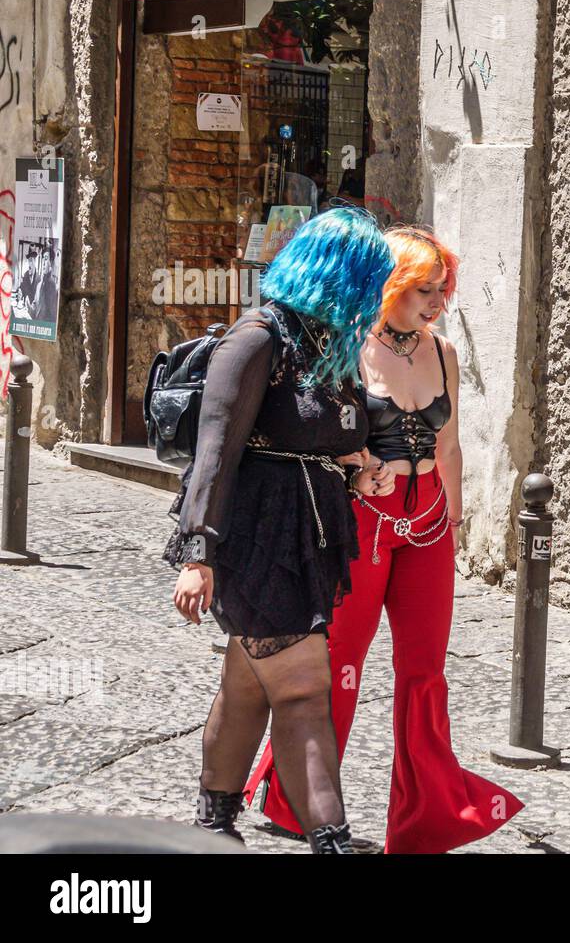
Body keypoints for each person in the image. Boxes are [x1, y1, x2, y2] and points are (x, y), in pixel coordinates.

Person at [244, 225, 523, 853]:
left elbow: (448, 446)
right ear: (389, 285)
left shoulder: (445, 353)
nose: (436, 301)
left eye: (442, 290)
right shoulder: (349, 348)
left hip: (427, 523)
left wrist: (452, 518)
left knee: (424, 670)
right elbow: (317, 431)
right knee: (340, 662)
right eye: (423, 289)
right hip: (364, 521)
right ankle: (298, 802)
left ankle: (427, 817)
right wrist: (353, 468)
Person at [166, 207, 395, 854]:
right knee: (301, 690)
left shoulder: (328, 346)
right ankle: (331, 840)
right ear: (339, 275)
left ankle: (212, 825)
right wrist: (198, 553)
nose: (376, 293)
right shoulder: (257, 336)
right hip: (252, 535)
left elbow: (333, 435)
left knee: (248, 683)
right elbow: (215, 450)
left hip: (306, 534)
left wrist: (357, 469)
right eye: (369, 278)